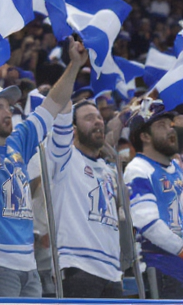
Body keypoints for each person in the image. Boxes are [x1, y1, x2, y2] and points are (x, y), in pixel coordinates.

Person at [0, 39, 81, 298]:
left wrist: (74, 64)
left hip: (28, 262)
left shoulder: (18, 140)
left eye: (9, 107)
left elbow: (53, 103)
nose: (8, 112)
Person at [46, 93, 123, 298]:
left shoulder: (108, 169)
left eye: (99, 117)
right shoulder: (64, 158)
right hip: (78, 266)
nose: (98, 122)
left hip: (112, 270)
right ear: (73, 129)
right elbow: (60, 124)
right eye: (89, 118)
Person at [123, 98, 183, 299]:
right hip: (159, 266)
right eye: (161, 125)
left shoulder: (176, 170)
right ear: (145, 136)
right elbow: (147, 223)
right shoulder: (138, 169)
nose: (170, 130)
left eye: (170, 125)